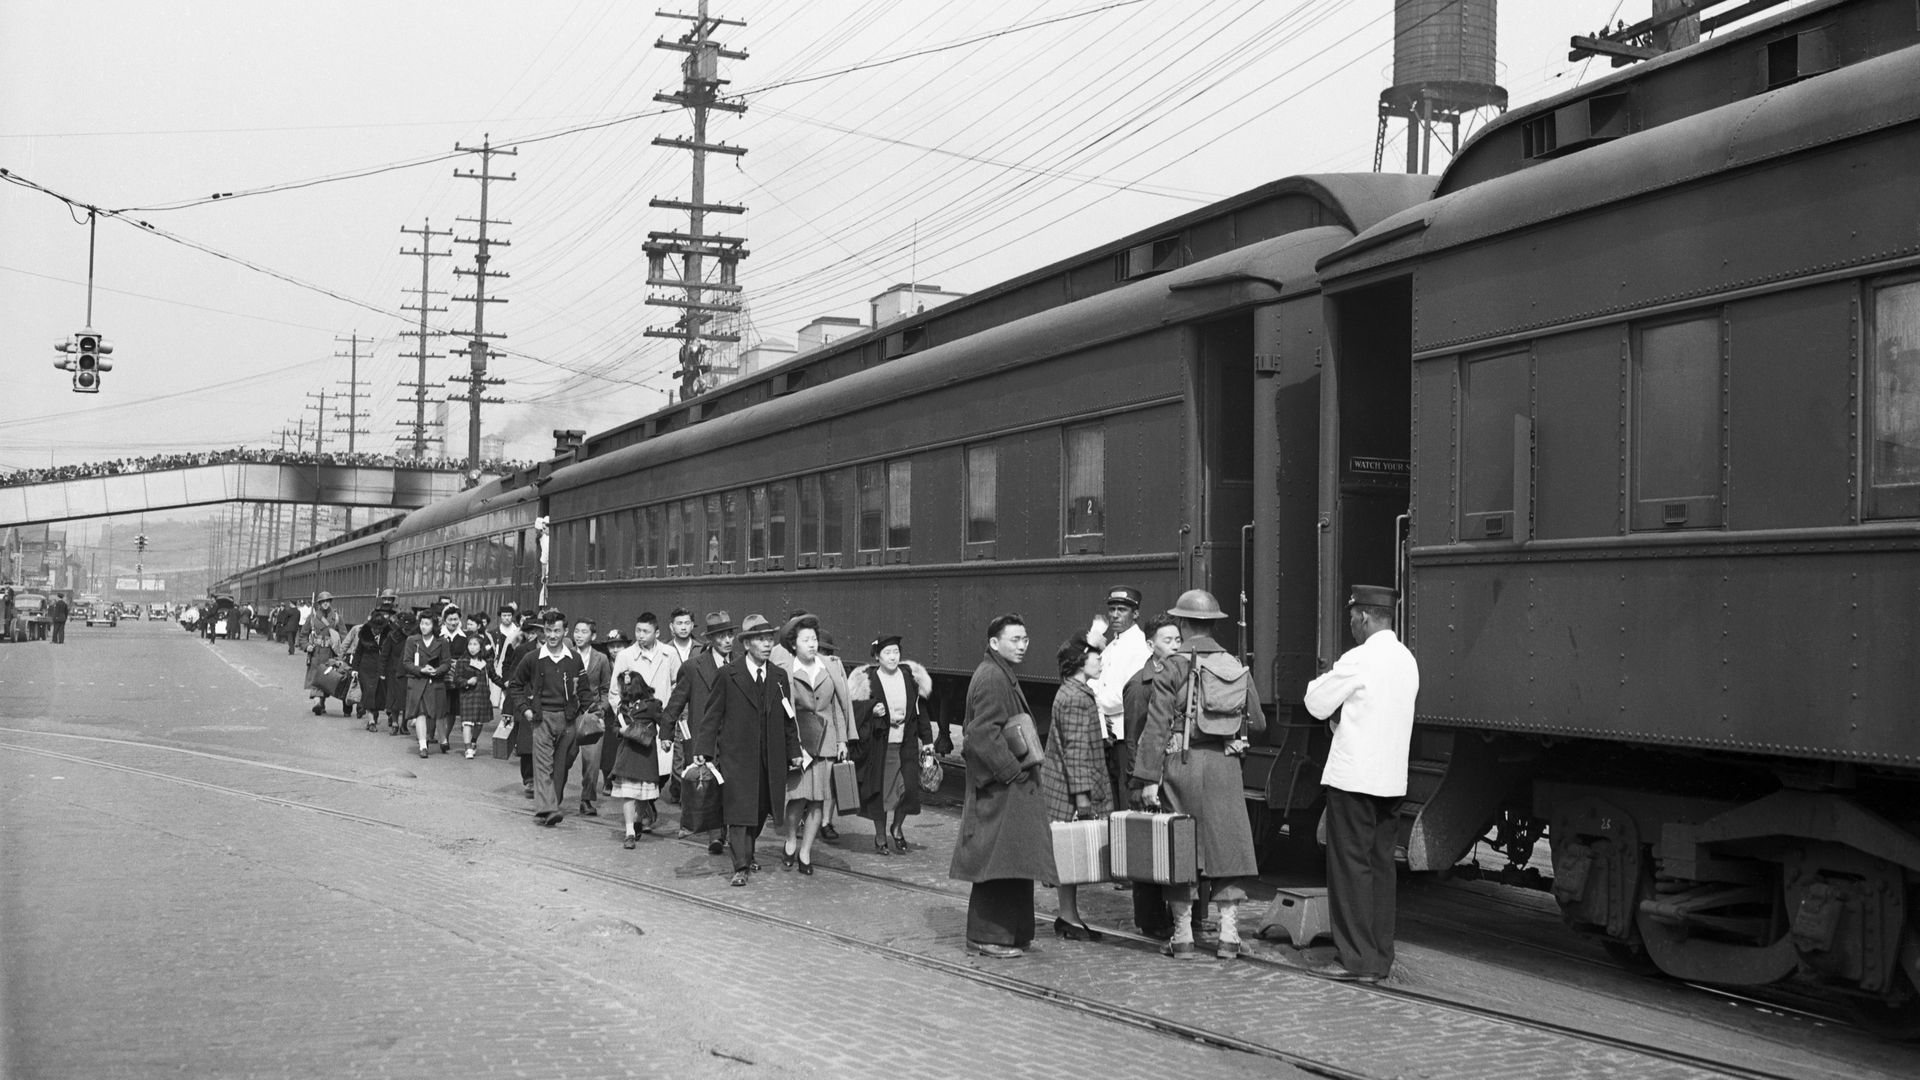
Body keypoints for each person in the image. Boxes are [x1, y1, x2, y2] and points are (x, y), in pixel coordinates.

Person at [1133, 589, 1265, 960]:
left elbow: (1157, 727)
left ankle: (1184, 935)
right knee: (1227, 848)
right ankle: (1228, 936)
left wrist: (1147, 778)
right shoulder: (1233, 663)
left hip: (1182, 765)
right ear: (1213, 623)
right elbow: (1259, 720)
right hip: (1224, 767)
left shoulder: (1173, 665)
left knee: (1181, 849)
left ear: (1183, 622)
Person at [1303, 584, 1420, 984]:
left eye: (1353, 618)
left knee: (1349, 869)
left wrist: (1335, 710)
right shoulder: (1407, 660)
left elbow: (1315, 702)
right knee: (1381, 869)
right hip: (1391, 780)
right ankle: (1379, 956)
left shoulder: (1359, 658)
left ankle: (1355, 960)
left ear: (1365, 617)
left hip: (1354, 779)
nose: (1351, 625)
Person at [948, 614, 1053, 959]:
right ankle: (986, 936)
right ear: (995, 643)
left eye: (1025, 639)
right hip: (1001, 788)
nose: (1022, 645)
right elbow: (981, 734)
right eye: (1015, 639)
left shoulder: (998, 672)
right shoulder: (993, 677)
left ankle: (1013, 934)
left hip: (1005, 788)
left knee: (1012, 862)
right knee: (998, 862)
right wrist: (1012, 772)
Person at [693, 614, 799, 887]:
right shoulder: (729, 675)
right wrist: (704, 749)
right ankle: (740, 865)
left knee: (760, 809)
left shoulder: (778, 676)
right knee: (740, 812)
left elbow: (788, 719)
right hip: (737, 757)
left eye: (769, 639)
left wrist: (794, 750)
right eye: (761, 639)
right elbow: (712, 715)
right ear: (748, 643)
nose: (767, 644)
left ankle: (747, 854)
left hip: (769, 759)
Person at [1039, 634, 1113, 940]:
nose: (1101, 661)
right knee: (1071, 854)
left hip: (1062, 786)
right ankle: (1068, 916)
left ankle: (1069, 915)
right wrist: (1083, 800)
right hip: (1071, 792)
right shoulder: (1076, 699)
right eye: (1096, 656)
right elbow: (1076, 752)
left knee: (1068, 855)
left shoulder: (1071, 692)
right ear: (1080, 661)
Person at [775, 615, 851, 875]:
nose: (812, 644)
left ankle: (806, 851)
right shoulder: (785, 670)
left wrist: (842, 740)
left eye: (814, 639)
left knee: (818, 801)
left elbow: (837, 707)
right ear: (793, 644)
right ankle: (790, 840)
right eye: (805, 639)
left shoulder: (830, 666)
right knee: (797, 798)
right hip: (800, 743)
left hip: (826, 744)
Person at [1123, 614, 1183, 939]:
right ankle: (1151, 920)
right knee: (1147, 849)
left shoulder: (1179, 676)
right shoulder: (1138, 685)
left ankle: (1177, 916)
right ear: (1150, 644)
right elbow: (1134, 739)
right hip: (1146, 780)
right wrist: (1142, 782)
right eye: (1167, 641)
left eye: (1178, 640)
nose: (1175, 646)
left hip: (1169, 776)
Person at [849, 634, 934, 855]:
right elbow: (854, 713)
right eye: (887, 653)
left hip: (906, 745)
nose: (893, 657)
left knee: (908, 792)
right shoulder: (868, 681)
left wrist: (928, 742)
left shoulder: (909, 678)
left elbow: (920, 712)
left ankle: (896, 828)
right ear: (877, 657)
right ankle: (880, 836)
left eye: (896, 652)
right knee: (882, 795)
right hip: (881, 747)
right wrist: (872, 710)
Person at [506, 609, 590, 827]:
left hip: (568, 720)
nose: (552, 636)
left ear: (566, 631)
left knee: (561, 767)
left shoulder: (574, 659)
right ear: (544, 631)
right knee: (542, 766)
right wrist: (525, 709)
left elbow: (584, 691)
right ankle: (548, 808)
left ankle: (552, 803)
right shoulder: (532, 659)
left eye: (557, 631)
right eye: (549, 631)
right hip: (541, 719)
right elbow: (515, 685)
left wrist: (592, 713)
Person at [666, 611, 733, 852]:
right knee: (711, 785)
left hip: (731, 737)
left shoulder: (738, 665)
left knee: (731, 785)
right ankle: (715, 835)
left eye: (730, 635)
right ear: (712, 639)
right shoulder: (693, 667)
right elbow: (676, 701)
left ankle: (729, 832)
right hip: (703, 734)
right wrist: (666, 731)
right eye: (722, 636)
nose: (728, 641)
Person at [1089, 586, 1150, 825]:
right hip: (1111, 732)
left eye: (1122, 610)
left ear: (1135, 614)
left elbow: (1128, 695)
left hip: (1125, 733)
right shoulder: (1113, 645)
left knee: (1125, 795)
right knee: (1112, 794)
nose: (1115, 615)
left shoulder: (1138, 646)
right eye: (1112, 609)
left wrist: (1093, 702)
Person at [611, 612, 679, 818]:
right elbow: (615, 690)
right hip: (635, 725)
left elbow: (678, 684)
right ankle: (642, 814)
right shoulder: (625, 656)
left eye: (646, 631)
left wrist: (671, 713)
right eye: (638, 631)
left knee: (663, 771)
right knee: (638, 771)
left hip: (661, 720)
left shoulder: (669, 654)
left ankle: (648, 802)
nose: (641, 635)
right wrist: (623, 717)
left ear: (657, 632)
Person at [610, 666, 665, 848]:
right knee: (628, 794)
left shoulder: (652, 705)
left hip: (645, 755)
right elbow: (614, 727)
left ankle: (638, 820)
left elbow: (664, 723)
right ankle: (629, 832)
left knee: (642, 795)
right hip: (627, 754)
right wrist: (621, 731)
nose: (619, 690)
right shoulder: (622, 707)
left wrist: (666, 739)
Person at [569, 618, 613, 817]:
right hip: (568, 714)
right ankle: (554, 795)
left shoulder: (601, 659)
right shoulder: (566, 655)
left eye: (584, 632)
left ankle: (586, 799)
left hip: (592, 714)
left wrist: (601, 709)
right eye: (576, 631)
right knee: (565, 757)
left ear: (593, 636)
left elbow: (607, 688)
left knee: (592, 761)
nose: (578, 635)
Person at [402, 609, 450, 760]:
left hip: (435, 682)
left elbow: (446, 663)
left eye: (427, 624)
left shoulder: (442, 642)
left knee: (438, 714)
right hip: (418, 682)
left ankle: (443, 739)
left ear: (434, 626)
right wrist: (421, 669)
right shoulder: (412, 640)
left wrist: (437, 671)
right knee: (420, 713)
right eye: (422, 623)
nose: (424, 627)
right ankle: (423, 745)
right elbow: (407, 662)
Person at [301, 592, 346, 715]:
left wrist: (341, 653)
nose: (325, 603)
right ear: (319, 603)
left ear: (330, 602)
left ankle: (321, 703)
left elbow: (344, 636)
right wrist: (307, 646)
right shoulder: (313, 617)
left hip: (330, 655)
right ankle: (317, 703)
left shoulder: (337, 617)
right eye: (322, 602)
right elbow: (303, 635)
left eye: (328, 601)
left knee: (327, 680)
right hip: (316, 654)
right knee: (315, 680)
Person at [453, 629, 495, 759]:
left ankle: (473, 741)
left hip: (482, 696)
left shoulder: (487, 662)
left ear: (481, 646)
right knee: (467, 722)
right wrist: (467, 682)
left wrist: (505, 684)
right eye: (470, 644)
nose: (472, 647)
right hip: (467, 695)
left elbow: (494, 676)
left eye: (475, 644)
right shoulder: (462, 661)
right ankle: (468, 748)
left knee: (478, 723)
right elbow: (457, 679)